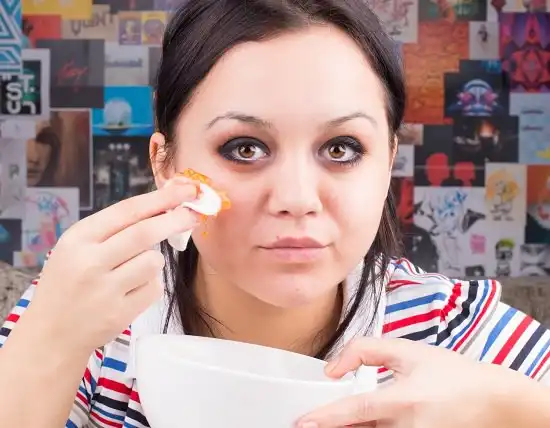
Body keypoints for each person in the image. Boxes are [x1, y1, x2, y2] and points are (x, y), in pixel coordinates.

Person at [1, 1, 549, 427]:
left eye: (341, 148)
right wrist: (47, 346)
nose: (296, 197)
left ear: (388, 164)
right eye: (244, 148)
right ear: (165, 165)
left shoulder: (450, 331)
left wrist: (511, 408)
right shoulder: (87, 318)